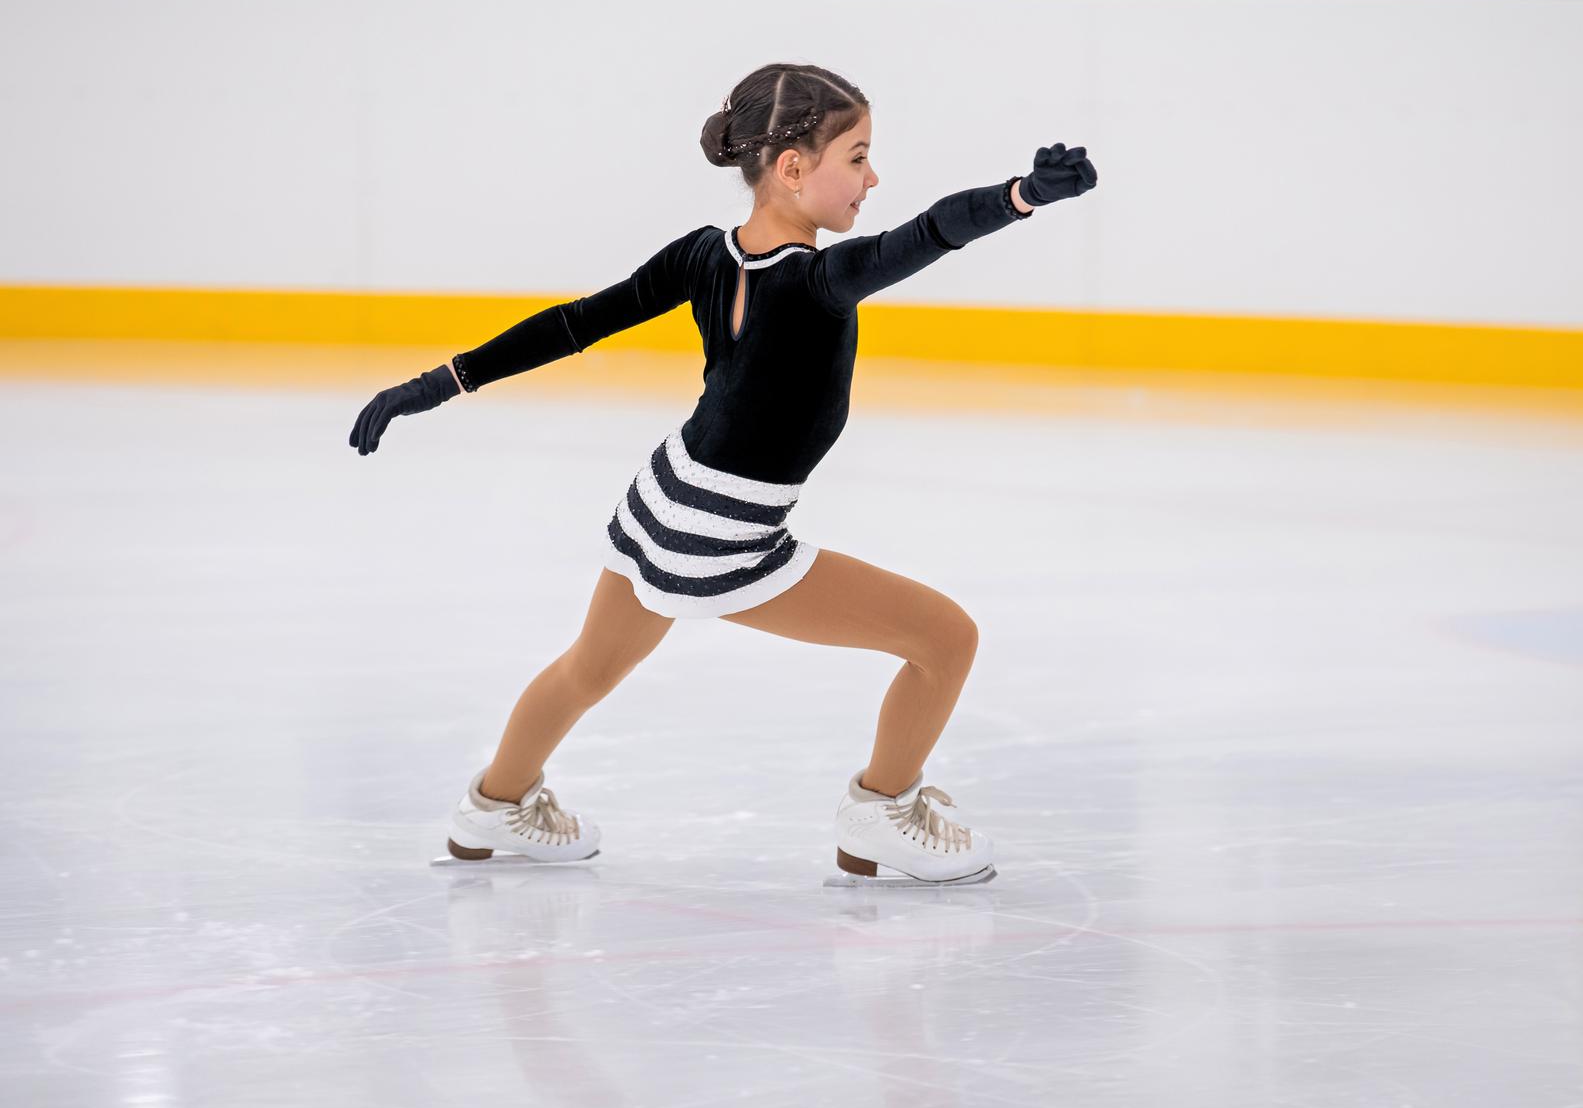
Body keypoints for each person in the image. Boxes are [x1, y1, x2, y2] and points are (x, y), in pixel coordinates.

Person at [348, 62, 1097, 885]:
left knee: (587, 669)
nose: (872, 176)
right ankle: (881, 811)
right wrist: (1019, 195)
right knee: (945, 639)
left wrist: (442, 380)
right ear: (792, 168)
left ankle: (494, 810)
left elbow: (574, 325)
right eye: (857, 156)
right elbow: (927, 235)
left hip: (660, 502)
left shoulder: (704, 256)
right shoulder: (819, 282)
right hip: (725, 536)